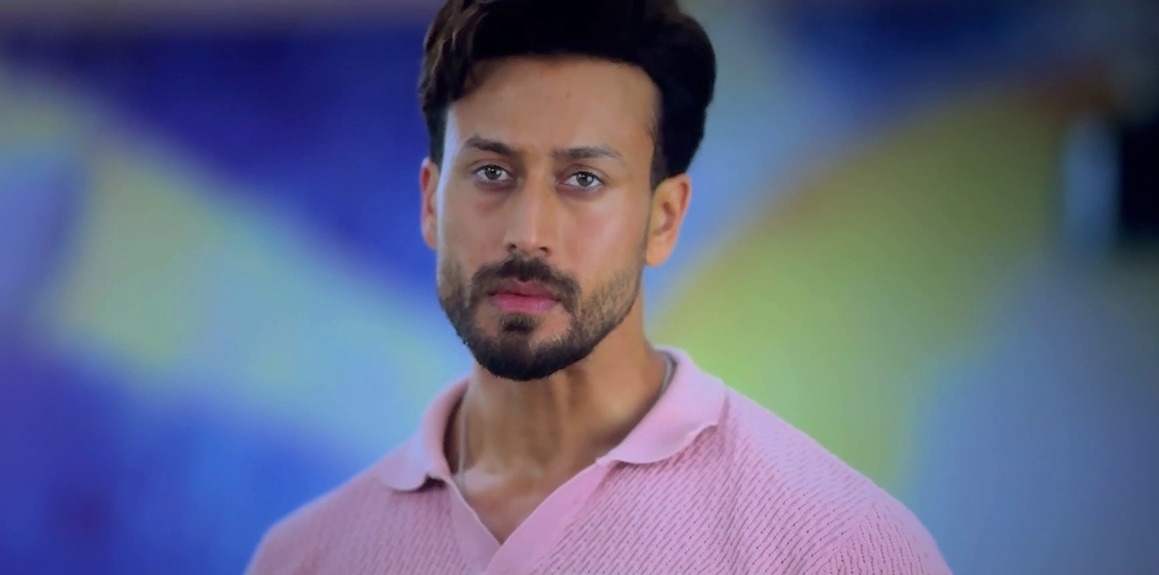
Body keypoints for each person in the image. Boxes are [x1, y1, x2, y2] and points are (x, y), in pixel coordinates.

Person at [247, 0, 950, 572]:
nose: (528, 231)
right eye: (491, 172)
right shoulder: (305, 558)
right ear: (431, 202)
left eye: (583, 179)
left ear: (664, 218)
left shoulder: (839, 547)